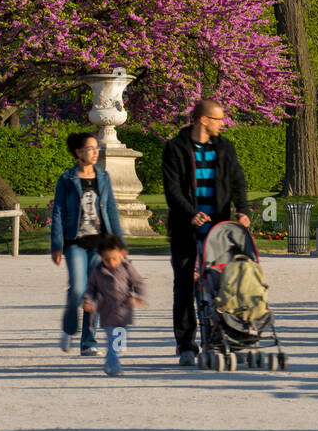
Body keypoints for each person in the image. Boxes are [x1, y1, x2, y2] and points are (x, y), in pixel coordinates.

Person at [162, 98, 252, 366]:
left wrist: (243, 209)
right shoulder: (175, 148)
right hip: (185, 229)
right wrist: (191, 213)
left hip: (218, 230)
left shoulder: (225, 148)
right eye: (218, 119)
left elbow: (238, 181)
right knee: (184, 286)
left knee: (221, 286)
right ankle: (186, 343)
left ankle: (217, 338)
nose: (222, 124)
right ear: (203, 120)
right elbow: (172, 189)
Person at [50, 132, 124, 356]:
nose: (95, 152)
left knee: (95, 292)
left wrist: (118, 244)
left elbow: (111, 209)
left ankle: (88, 342)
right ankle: (69, 327)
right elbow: (58, 212)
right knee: (78, 289)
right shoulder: (67, 179)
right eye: (90, 148)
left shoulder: (103, 177)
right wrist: (56, 244)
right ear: (78, 152)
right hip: (75, 243)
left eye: (96, 148)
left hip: (100, 244)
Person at [82, 234, 146, 377]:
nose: (111, 263)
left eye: (114, 259)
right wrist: (88, 301)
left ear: (121, 255)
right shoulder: (98, 271)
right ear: (101, 257)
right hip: (107, 310)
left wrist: (139, 297)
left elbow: (138, 282)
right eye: (106, 260)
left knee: (119, 339)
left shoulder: (127, 267)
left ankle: (110, 360)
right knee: (112, 340)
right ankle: (113, 365)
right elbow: (91, 288)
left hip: (124, 310)